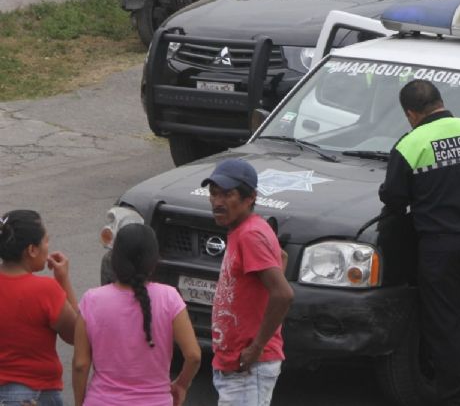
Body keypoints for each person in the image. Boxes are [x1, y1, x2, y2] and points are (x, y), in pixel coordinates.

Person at [379, 79, 460, 405]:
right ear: (440, 101)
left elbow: (393, 196)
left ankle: (456, 395)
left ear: (410, 113)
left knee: (446, 322)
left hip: (440, 245)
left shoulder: (411, 143)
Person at [72, 223, 202, 406]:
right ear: (154, 260)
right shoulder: (169, 298)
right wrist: (181, 385)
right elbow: (194, 355)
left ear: (115, 258)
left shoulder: (92, 300)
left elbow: (80, 365)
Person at [203, 158, 294, 406]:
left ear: (250, 197)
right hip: (233, 363)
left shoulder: (250, 234)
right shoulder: (245, 229)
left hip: (248, 366)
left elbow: (283, 294)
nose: (217, 202)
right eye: (213, 194)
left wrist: (257, 346)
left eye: (227, 195)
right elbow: (281, 257)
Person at [0, 210, 78, 406]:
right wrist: (63, 280)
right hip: (34, 394)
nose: (48, 247)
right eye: (46, 241)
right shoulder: (45, 290)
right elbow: (77, 334)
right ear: (32, 250)